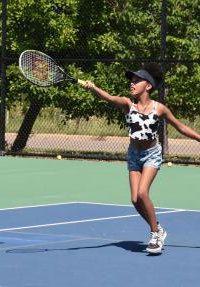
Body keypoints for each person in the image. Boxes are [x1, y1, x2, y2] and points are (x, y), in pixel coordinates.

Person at [83, 63, 200, 254]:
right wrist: (94, 87)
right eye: (131, 80)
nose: (132, 83)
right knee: (135, 199)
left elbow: (181, 127)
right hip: (134, 155)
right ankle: (159, 228)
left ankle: (155, 235)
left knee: (143, 193)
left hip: (152, 154)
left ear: (148, 86)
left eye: (137, 81)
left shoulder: (159, 108)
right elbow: (109, 98)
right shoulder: (127, 104)